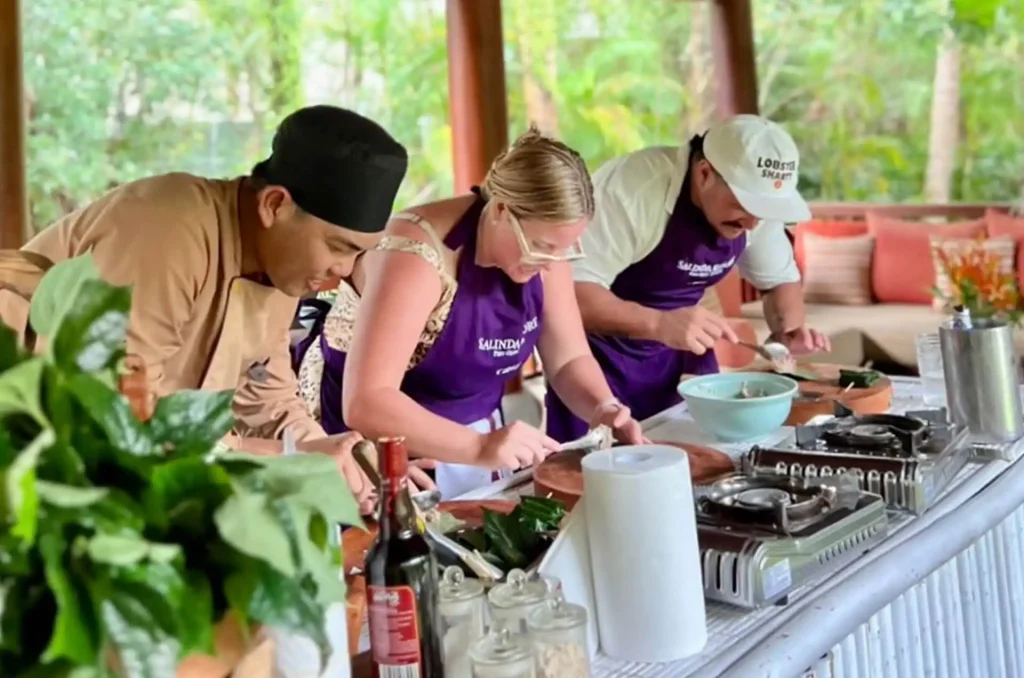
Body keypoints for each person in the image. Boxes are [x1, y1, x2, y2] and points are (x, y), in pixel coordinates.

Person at [5, 105, 414, 510]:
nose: (344, 271)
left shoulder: (281, 268)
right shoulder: (169, 228)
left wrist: (339, 462)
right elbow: (116, 412)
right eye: (337, 247)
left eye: (359, 254)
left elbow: (267, 399)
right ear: (274, 205)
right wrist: (283, 459)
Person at [296, 129, 645, 498]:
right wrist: (478, 448)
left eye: (563, 251)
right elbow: (367, 401)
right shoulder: (417, 254)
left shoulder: (547, 256)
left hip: (474, 430)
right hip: (375, 442)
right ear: (499, 211)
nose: (551, 264)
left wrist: (602, 406)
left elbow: (568, 359)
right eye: (542, 247)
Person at [546, 114, 831, 441]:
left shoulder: (755, 214)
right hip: (596, 362)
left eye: (763, 210)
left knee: (697, 457)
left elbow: (779, 281)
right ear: (705, 173)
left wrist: (786, 333)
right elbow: (568, 297)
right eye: (744, 204)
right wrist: (658, 324)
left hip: (680, 356)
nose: (752, 224)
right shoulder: (633, 191)